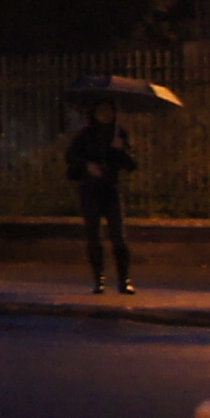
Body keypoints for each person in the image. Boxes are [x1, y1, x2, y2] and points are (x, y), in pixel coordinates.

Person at [65, 105, 141, 295]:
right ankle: (99, 279)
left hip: (111, 189)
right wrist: (87, 165)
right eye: (101, 111)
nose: (106, 115)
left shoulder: (118, 134)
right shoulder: (85, 135)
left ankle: (124, 280)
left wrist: (120, 150)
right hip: (90, 189)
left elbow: (132, 165)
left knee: (119, 237)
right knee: (94, 236)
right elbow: (71, 157)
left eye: (109, 111)